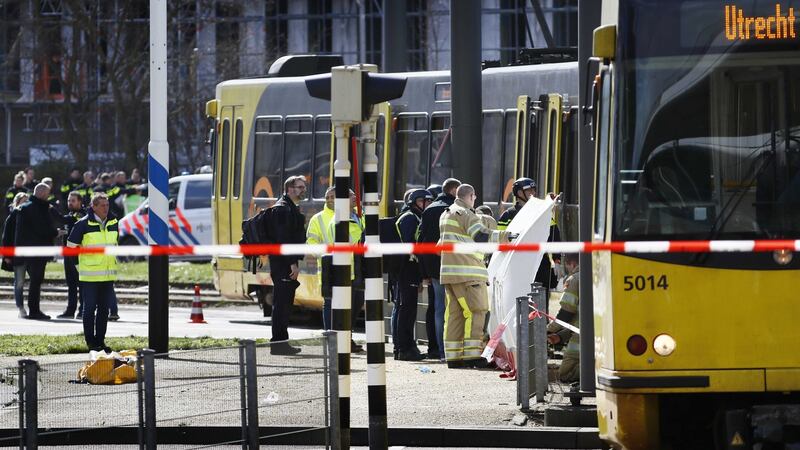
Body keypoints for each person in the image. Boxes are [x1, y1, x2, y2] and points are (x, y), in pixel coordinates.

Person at [439, 184, 509, 369]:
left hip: (449, 274)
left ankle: (453, 357)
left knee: (454, 315)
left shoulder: (446, 214)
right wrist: (506, 236)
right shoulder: (466, 214)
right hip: (468, 273)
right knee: (477, 311)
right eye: (474, 197)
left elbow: (439, 246)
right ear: (470, 196)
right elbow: (481, 236)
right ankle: (473, 356)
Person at [306, 186, 365, 352]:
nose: (330, 200)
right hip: (331, 271)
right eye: (328, 197)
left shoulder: (358, 216)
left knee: (353, 307)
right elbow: (311, 245)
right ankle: (332, 342)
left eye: (333, 196)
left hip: (356, 269)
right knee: (332, 308)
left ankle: (347, 339)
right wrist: (329, 255)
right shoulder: (319, 219)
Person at [67, 193, 119, 352]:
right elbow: (71, 248)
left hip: (108, 275)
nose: (106, 208)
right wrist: (78, 266)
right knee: (89, 309)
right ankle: (91, 342)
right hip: (89, 276)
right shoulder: (82, 224)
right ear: (93, 207)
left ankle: (100, 341)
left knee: (104, 310)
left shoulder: (114, 222)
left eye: (107, 205)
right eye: (102, 205)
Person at [417, 178, 460, 361]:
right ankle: (453, 350)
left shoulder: (429, 209)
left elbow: (421, 241)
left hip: (434, 268)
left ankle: (441, 350)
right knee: (456, 309)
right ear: (454, 190)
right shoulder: (456, 210)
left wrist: (424, 272)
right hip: (456, 265)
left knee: (439, 309)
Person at [265, 175, 307, 355]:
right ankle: (278, 344)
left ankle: (281, 342)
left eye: (304, 187)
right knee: (281, 305)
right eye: (300, 187)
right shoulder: (283, 209)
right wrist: (292, 263)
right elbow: (283, 240)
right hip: (283, 264)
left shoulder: (289, 207)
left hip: (284, 263)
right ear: (290, 189)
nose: (304, 190)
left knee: (284, 304)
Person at [497, 177, 560, 290]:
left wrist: (557, 260)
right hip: (516, 266)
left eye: (534, 190)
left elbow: (554, 236)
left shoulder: (541, 213)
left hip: (540, 264)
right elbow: (499, 240)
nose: (533, 193)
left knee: (541, 297)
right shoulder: (508, 215)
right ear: (519, 193)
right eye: (529, 190)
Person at [394, 188, 433, 361]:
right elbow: (410, 244)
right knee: (406, 309)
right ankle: (405, 348)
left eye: (429, 201)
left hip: (411, 268)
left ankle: (406, 346)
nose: (427, 204)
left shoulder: (416, 217)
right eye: (424, 201)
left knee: (408, 309)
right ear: (414, 202)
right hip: (406, 268)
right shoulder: (409, 218)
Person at [15, 183, 61, 320]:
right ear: (41, 193)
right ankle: (34, 311)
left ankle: (34, 310)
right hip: (38, 250)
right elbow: (42, 228)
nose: (48, 196)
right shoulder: (38, 208)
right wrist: (55, 232)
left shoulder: (26, 207)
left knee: (35, 281)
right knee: (36, 281)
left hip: (29, 250)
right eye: (47, 194)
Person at [547, 253, 580, 383]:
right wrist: (560, 337)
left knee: (566, 374)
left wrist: (549, 329)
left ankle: (593, 374)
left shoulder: (574, 279)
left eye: (566, 266)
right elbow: (581, 318)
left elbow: (567, 312)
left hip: (581, 341)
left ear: (572, 264)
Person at [57, 191, 86, 319]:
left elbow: (66, 220)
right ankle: (70, 310)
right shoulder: (70, 215)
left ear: (80, 202)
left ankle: (82, 310)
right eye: (69, 200)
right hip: (68, 254)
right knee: (71, 284)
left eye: (73, 201)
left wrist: (50, 208)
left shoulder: (81, 215)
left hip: (78, 254)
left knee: (81, 283)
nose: (70, 203)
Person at [2, 192, 30, 318]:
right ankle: (21, 308)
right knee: (19, 282)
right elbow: (6, 237)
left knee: (35, 281)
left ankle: (34, 308)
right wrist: (7, 255)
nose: (26, 204)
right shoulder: (12, 217)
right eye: (23, 201)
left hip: (31, 255)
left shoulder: (31, 217)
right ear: (17, 203)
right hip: (18, 256)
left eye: (27, 201)